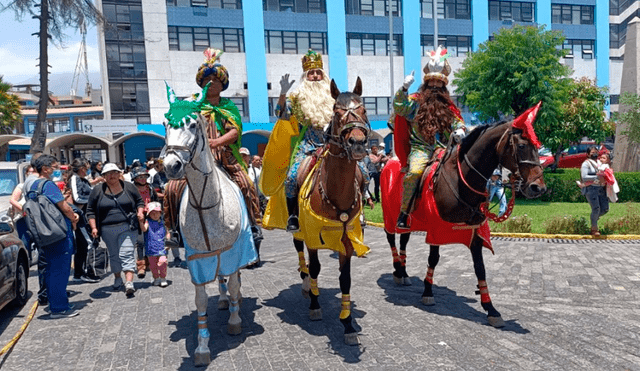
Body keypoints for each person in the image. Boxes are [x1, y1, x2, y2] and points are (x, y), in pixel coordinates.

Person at [195, 47, 263, 252]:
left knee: (247, 183)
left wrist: (216, 142)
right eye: (206, 80)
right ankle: (174, 230)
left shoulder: (229, 107)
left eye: (215, 80)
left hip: (225, 155)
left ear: (222, 84)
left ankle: (253, 224)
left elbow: (235, 131)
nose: (211, 83)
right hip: (199, 156)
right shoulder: (195, 106)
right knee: (174, 187)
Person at [393, 46, 466, 229]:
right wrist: (403, 88)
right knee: (415, 173)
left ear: (443, 86)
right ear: (426, 83)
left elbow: (458, 121)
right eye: (431, 82)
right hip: (421, 149)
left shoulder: (448, 106)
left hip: (444, 149)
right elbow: (399, 107)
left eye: (438, 83)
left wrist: (460, 130)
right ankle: (404, 213)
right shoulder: (415, 102)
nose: (434, 86)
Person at [275, 49, 335, 232]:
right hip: (307, 145)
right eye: (311, 73)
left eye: (318, 72)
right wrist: (283, 94)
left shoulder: (333, 95)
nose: (315, 76)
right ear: (305, 76)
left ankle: (359, 210)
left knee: (360, 170)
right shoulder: (296, 97)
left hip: (332, 144)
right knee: (292, 177)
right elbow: (280, 114)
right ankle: (293, 215)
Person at [28, 155, 80, 318]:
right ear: (45, 168)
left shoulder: (33, 186)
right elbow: (64, 207)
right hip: (59, 232)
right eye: (54, 166)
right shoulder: (48, 185)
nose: (56, 169)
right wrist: (74, 218)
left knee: (50, 269)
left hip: (45, 233)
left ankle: (55, 303)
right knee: (60, 269)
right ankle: (59, 307)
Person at [86, 163, 145, 295]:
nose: (112, 175)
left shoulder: (129, 187)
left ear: (119, 174)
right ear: (104, 176)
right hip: (107, 229)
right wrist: (94, 227)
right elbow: (90, 210)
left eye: (114, 172)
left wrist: (140, 212)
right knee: (114, 255)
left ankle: (129, 282)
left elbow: (139, 201)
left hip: (128, 226)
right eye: (108, 173)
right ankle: (118, 278)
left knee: (127, 253)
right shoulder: (97, 190)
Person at [65, 158, 99, 283]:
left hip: (87, 216)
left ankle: (80, 272)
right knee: (87, 243)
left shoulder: (84, 180)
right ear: (81, 168)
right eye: (86, 168)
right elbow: (77, 197)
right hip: (80, 218)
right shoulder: (74, 179)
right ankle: (84, 271)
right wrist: (93, 201)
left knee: (83, 245)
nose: (87, 170)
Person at [131, 166, 159, 278]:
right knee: (140, 242)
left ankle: (149, 263)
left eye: (144, 176)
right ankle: (140, 266)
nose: (142, 179)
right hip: (138, 217)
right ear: (135, 178)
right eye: (140, 177)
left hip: (151, 217)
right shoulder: (132, 190)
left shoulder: (150, 188)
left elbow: (156, 201)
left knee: (150, 241)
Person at [580, 146, 609, 236]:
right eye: (592, 153)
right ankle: (594, 229)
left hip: (601, 188)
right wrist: (597, 176)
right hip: (591, 188)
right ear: (588, 154)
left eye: (596, 152)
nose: (594, 154)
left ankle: (594, 218)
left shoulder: (599, 163)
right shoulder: (586, 164)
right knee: (596, 208)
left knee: (605, 209)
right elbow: (584, 177)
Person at [142, 201, 168, 287]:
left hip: (162, 248)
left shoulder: (163, 222)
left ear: (160, 213)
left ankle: (163, 278)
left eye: (157, 213)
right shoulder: (147, 221)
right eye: (152, 213)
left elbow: (167, 233)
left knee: (163, 262)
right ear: (149, 214)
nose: (155, 215)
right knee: (153, 266)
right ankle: (156, 278)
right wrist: (140, 221)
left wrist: (168, 242)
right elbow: (144, 229)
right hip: (150, 248)